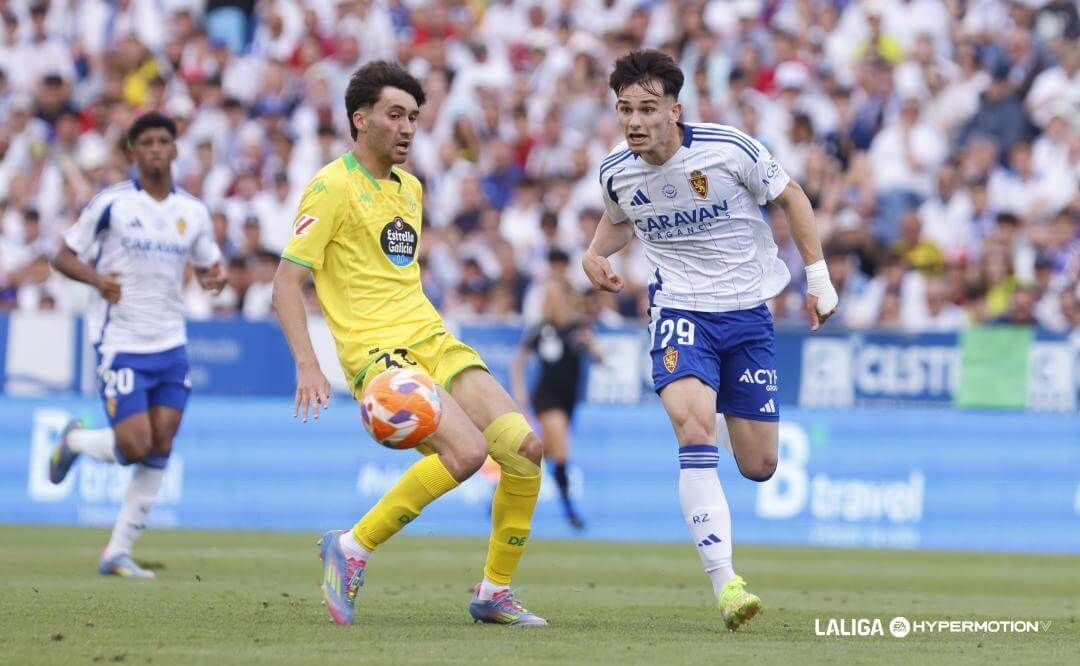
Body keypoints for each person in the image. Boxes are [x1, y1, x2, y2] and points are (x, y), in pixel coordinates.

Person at [271, 61, 546, 627]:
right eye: (395, 115)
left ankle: (493, 592)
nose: (407, 129)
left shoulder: (411, 188)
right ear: (360, 119)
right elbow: (285, 283)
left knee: (525, 452)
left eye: (414, 118)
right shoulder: (330, 186)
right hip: (381, 357)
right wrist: (308, 363)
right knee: (467, 454)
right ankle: (351, 547)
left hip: (434, 340)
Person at [582, 50, 838, 631]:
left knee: (759, 465)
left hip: (747, 314)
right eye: (625, 109)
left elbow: (793, 197)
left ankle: (714, 398)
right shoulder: (616, 170)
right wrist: (593, 254)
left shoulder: (728, 149)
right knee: (694, 433)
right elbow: (619, 217)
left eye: (647, 109)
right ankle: (727, 585)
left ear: (675, 111)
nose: (634, 121)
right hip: (679, 310)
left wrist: (818, 279)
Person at [47, 112, 226, 578]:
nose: (155, 149)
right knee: (134, 443)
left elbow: (208, 264)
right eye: (145, 142)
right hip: (121, 340)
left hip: (171, 342)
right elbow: (62, 255)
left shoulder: (193, 212)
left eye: (163, 140)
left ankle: (117, 552)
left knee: (160, 443)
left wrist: (214, 277)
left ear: (174, 149)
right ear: (133, 152)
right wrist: (97, 281)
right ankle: (75, 440)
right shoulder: (112, 204)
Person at [510, 249, 600, 531]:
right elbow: (519, 361)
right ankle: (570, 511)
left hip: (568, 399)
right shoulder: (541, 329)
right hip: (547, 398)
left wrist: (592, 346)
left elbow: (599, 358)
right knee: (560, 453)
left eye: (554, 297)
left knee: (537, 454)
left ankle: (499, 493)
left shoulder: (577, 329)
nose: (550, 302)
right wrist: (520, 391)